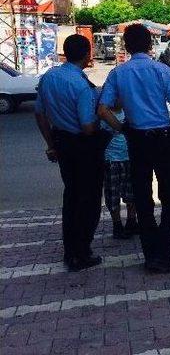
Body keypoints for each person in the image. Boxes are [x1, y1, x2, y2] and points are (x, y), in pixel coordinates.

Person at [98, 23, 170, 274]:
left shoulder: (118, 73)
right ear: (150, 45)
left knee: (142, 198)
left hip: (137, 140)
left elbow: (103, 110)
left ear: (127, 47)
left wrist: (121, 128)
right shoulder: (161, 70)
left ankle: (152, 255)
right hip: (164, 138)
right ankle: (164, 251)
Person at [34, 34, 103, 271]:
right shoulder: (81, 86)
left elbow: (39, 113)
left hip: (62, 142)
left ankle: (70, 251)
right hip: (83, 146)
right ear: (86, 55)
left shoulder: (49, 77)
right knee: (89, 199)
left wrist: (51, 143)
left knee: (71, 197)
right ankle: (81, 252)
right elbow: (87, 126)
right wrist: (103, 122)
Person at [101, 101, 139, 239]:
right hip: (111, 159)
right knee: (113, 195)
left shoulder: (128, 112)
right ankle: (117, 225)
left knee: (131, 192)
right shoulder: (103, 113)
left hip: (128, 157)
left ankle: (131, 221)